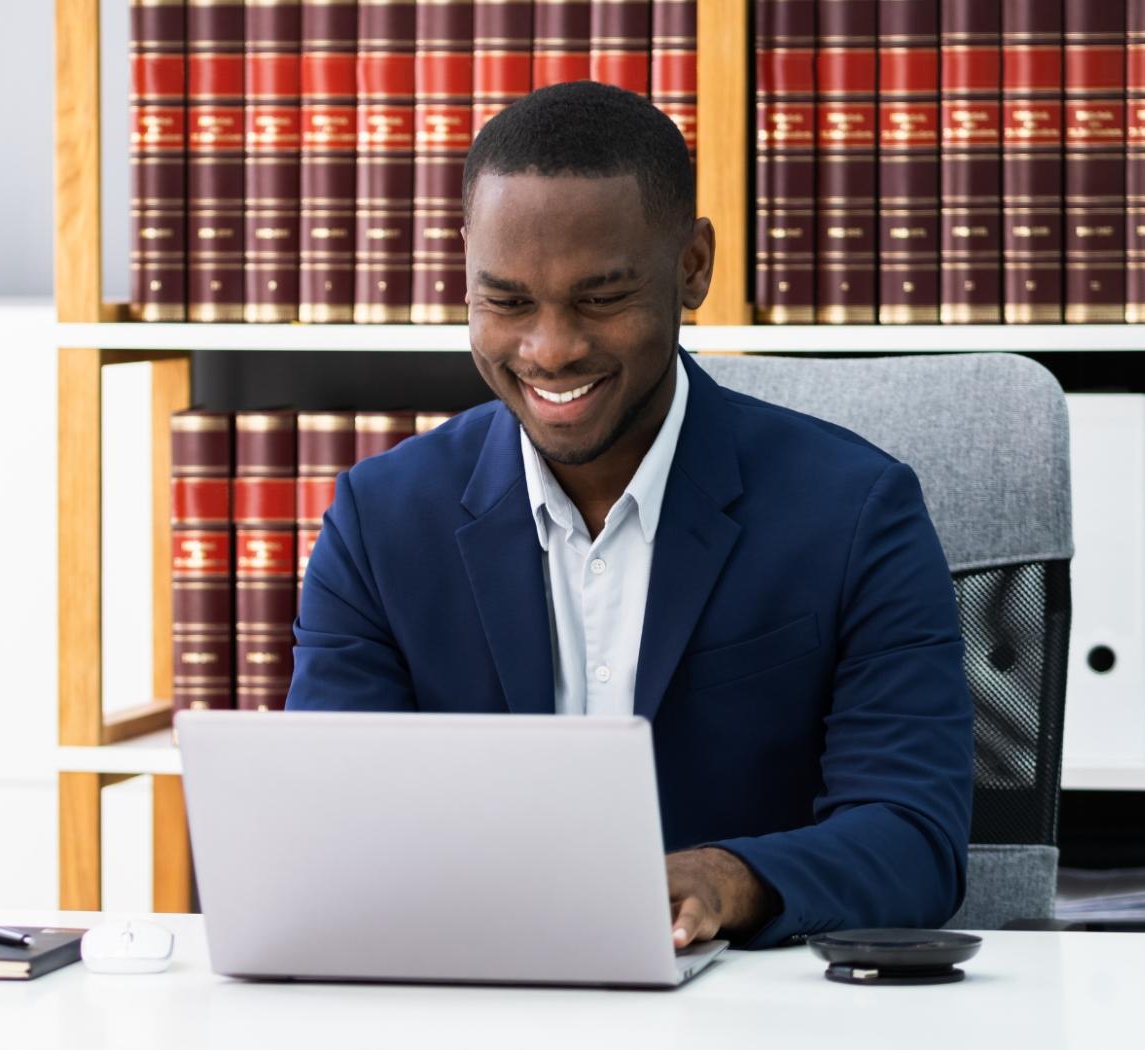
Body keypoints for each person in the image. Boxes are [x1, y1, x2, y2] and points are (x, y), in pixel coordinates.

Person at [286, 81, 974, 949]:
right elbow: (328, 832)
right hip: (466, 995)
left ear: (692, 267)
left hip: (752, 1010)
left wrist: (729, 880)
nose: (550, 349)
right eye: (506, 301)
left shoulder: (856, 513)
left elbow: (916, 840)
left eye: (600, 299)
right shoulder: (380, 523)